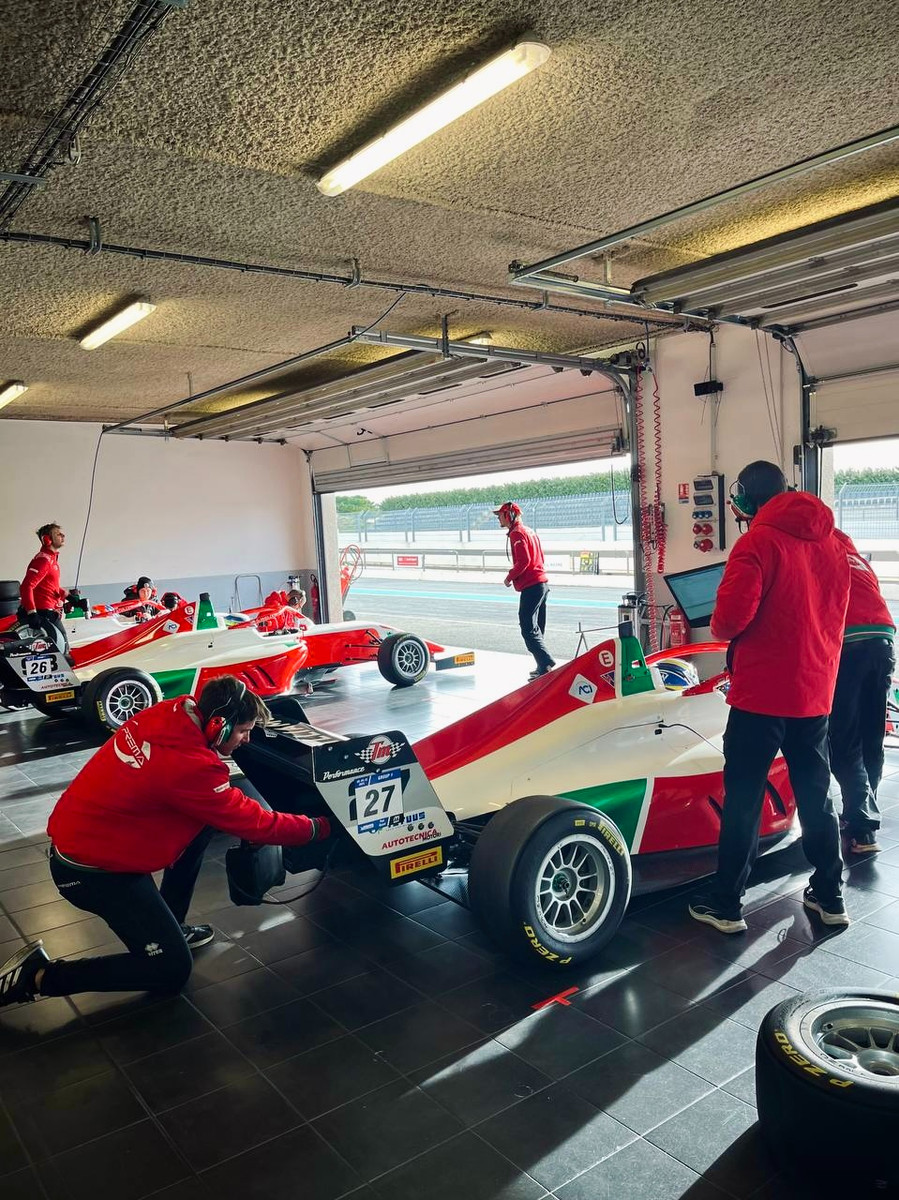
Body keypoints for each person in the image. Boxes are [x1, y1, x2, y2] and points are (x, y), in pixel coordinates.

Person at [0, 675, 331, 1008]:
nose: (247, 739)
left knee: (204, 822)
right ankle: (38, 976)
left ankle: (172, 923)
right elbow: (256, 823)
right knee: (170, 970)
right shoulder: (188, 766)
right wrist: (320, 827)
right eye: (244, 731)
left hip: (90, 836)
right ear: (217, 726)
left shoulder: (170, 714)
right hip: (92, 873)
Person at [688, 460, 850, 934]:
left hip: (761, 694)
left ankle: (726, 904)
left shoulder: (756, 543)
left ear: (745, 497)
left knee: (743, 796)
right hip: (814, 690)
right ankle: (830, 895)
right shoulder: (835, 542)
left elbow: (727, 622)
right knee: (816, 795)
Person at [829, 529, 896, 854]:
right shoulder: (855, 557)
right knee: (872, 735)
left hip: (848, 644)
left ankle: (862, 827)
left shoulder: (818, 553)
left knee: (844, 738)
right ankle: (863, 813)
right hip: (883, 641)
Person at [494, 500, 555, 679]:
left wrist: (509, 577)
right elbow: (540, 557)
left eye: (500, 515)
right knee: (537, 628)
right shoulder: (530, 531)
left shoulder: (517, 533)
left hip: (532, 586)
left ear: (509, 515)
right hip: (542, 584)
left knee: (527, 627)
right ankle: (542, 666)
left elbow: (524, 561)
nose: (498, 518)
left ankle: (546, 663)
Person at [19, 521, 70, 653]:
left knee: (63, 644)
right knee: (62, 646)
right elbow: (26, 586)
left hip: (50, 609)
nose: (63, 536)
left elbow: (49, 586)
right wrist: (32, 613)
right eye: (58, 534)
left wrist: (68, 595)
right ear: (47, 539)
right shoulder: (43, 560)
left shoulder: (52, 559)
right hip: (43, 612)